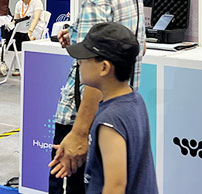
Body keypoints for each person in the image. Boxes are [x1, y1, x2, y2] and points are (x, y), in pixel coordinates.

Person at [50, 0, 146, 194]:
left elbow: (96, 70)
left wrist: (80, 133)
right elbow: (133, 48)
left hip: (85, 116)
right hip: (116, 108)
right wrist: (77, 36)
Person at [65, 22, 157, 194]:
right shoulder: (135, 100)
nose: (79, 62)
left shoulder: (109, 121)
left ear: (104, 67)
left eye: (84, 58)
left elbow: (115, 187)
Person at [6, 0, 45, 75]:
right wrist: (11, 24)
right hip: (22, 28)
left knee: (23, 38)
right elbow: (16, 19)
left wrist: (30, 31)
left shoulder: (36, 1)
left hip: (36, 28)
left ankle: (27, 65)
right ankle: (18, 66)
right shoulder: (19, 4)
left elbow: (36, 18)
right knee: (14, 37)